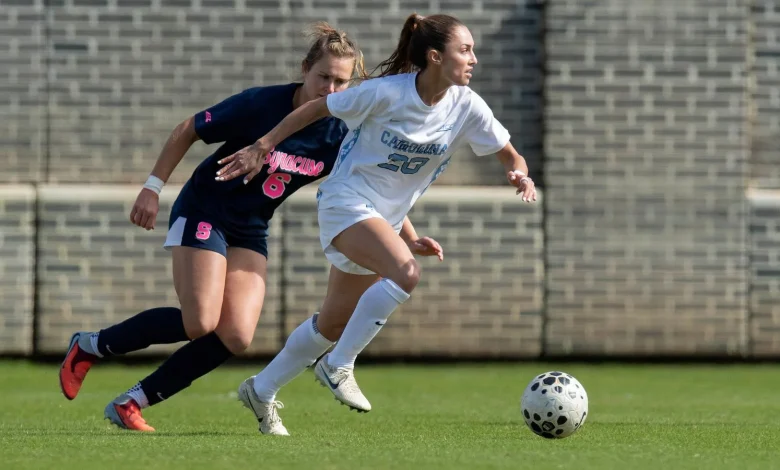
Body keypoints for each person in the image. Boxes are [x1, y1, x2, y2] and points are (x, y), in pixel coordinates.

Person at [58, 23, 413, 435]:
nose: (331, 91)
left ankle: (131, 402)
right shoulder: (262, 105)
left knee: (236, 334)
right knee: (200, 322)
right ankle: (90, 345)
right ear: (305, 69)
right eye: (323, 77)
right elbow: (189, 128)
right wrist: (152, 188)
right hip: (206, 209)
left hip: (251, 227)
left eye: (341, 81)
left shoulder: (340, 131)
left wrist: (407, 233)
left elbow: (365, 185)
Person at [216, 13, 537, 435]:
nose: (474, 58)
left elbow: (510, 155)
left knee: (331, 324)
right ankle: (339, 366)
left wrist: (520, 173)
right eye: (466, 49)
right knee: (406, 273)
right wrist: (262, 145)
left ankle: (261, 389)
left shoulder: (468, 107)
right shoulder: (385, 93)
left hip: (380, 219)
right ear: (436, 57)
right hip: (344, 202)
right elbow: (316, 108)